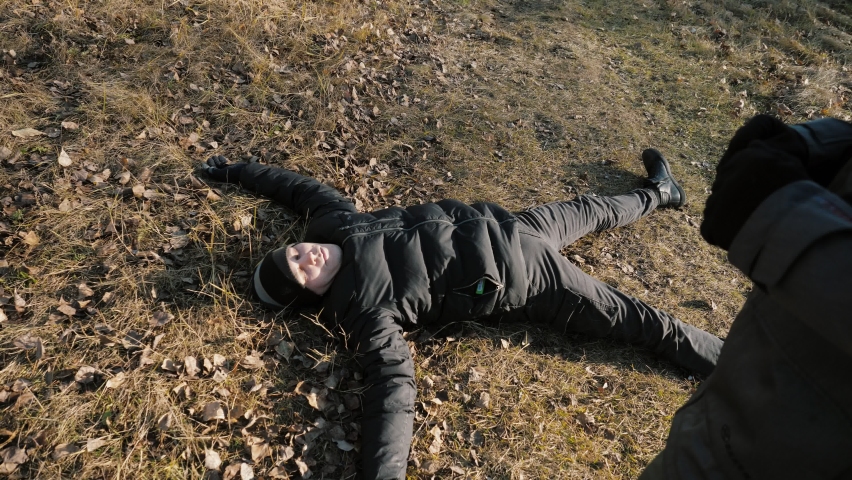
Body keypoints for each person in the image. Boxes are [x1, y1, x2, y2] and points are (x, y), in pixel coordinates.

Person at [202, 149, 723, 479]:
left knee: (592, 208)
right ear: (312, 295)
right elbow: (392, 385)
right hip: (530, 277)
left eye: (295, 253)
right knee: (644, 322)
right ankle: (733, 361)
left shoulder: (336, 222)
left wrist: (235, 171)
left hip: (516, 225)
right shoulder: (363, 309)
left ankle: (660, 192)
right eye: (302, 273)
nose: (307, 257)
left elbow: (298, 187)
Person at [639, 115, 852, 479]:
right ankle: (658, 192)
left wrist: (784, 220)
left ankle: (658, 193)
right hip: (730, 423)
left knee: (641, 322)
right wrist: (815, 144)